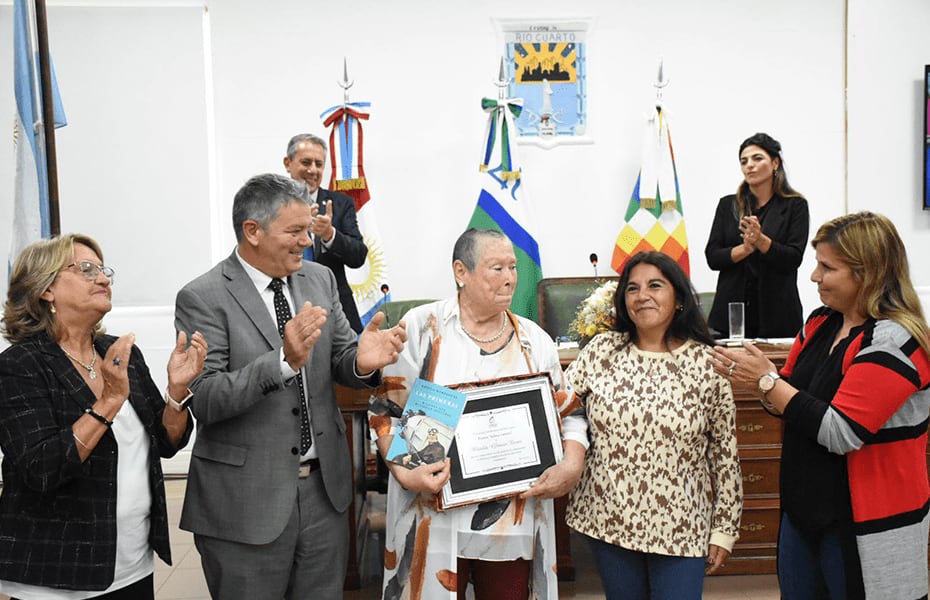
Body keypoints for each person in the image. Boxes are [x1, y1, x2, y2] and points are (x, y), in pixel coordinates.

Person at [173, 173, 406, 600]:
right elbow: (204, 398)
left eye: (308, 228)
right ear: (253, 231)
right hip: (245, 502)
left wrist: (363, 362)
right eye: (295, 231)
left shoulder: (318, 280)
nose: (306, 240)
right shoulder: (203, 297)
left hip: (324, 494)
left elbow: (342, 359)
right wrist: (282, 362)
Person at [712, 211, 930, 600]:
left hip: (862, 523)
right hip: (802, 514)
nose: (814, 276)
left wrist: (766, 382)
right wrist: (762, 383)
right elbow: (788, 400)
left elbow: (840, 431)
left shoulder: (893, 341)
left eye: (827, 267)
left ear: (867, 274)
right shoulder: (820, 323)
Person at [368, 228, 588, 600]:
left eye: (513, 267)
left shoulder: (535, 341)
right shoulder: (422, 329)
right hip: (431, 512)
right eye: (496, 267)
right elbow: (385, 408)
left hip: (511, 517)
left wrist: (572, 464)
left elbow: (570, 413)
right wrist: (406, 470)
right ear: (461, 272)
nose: (509, 278)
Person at [0, 234, 206, 599]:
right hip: (56, 576)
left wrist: (177, 392)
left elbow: (168, 443)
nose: (104, 279)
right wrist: (109, 401)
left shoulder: (120, 352)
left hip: (130, 563)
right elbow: (42, 468)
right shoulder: (20, 366)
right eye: (86, 269)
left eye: (104, 270)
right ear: (46, 289)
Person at [565, 250, 743, 600]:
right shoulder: (602, 350)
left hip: (682, 524)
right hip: (609, 519)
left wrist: (724, 528)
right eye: (632, 288)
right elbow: (557, 407)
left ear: (678, 298)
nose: (642, 295)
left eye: (655, 286)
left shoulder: (708, 363)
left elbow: (724, 454)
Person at [704, 132, 810, 339]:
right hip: (730, 315)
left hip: (778, 314)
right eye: (744, 161)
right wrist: (745, 249)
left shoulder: (795, 205)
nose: (749, 165)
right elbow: (713, 257)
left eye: (757, 158)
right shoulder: (728, 205)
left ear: (775, 163)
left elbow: (793, 258)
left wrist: (761, 241)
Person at [284, 132, 368, 333]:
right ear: (288, 163)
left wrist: (330, 234)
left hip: (336, 310)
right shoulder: (273, 204)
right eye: (306, 162)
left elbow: (359, 256)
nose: (313, 170)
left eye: (319, 164)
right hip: (288, 307)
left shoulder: (340, 204)